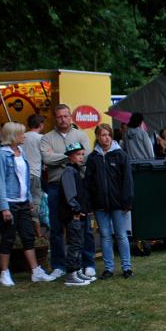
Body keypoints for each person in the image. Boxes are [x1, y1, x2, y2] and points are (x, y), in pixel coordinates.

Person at [0, 122, 56, 286]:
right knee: (8, 237)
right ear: (13, 136)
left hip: (22, 202)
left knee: (28, 236)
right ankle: (4, 273)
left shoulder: (21, 152)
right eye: (21, 134)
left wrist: (28, 199)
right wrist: (4, 207)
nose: (24, 136)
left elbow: (25, 179)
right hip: (10, 203)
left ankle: (35, 271)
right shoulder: (1, 155)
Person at [41, 104, 95, 280]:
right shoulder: (46, 138)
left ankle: (88, 264)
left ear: (70, 117)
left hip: (77, 185)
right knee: (56, 227)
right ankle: (59, 265)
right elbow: (47, 159)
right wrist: (70, 155)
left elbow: (85, 156)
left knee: (83, 226)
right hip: (56, 186)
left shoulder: (80, 135)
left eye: (65, 116)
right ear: (54, 118)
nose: (62, 119)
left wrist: (63, 156)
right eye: (59, 117)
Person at [85, 124, 134, 280]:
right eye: (102, 135)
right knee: (105, 236)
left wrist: (127, 202)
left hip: (118, 203)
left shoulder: (121, 155)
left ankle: (127, 267)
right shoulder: (93, 158)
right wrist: (89, 204)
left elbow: (127, 180)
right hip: (100, 204)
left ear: (111, 136)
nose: (105, 138)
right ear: (97, 137)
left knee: (121, 235)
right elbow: (88, 182)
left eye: (108, 135)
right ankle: (109, 268)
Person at [59, 142, 95, 286]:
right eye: (77, 155)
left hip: (80, 214)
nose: (81, 157)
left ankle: (78, 270)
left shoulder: (76, 171)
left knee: (79, 243)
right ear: (70, 157)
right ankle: (71, 274)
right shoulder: (69, 172)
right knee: (74, 243)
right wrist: (76, 210)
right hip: (73, 215)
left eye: (82, 154)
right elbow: (70, 195)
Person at [24, 115, 46, 236]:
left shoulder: (22, 136)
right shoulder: (41, 138)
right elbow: (45, 156)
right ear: (41, 124)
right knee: (35, 204)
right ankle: (38, 235)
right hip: (35, 173)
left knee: (24, 204)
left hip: (23, 174)